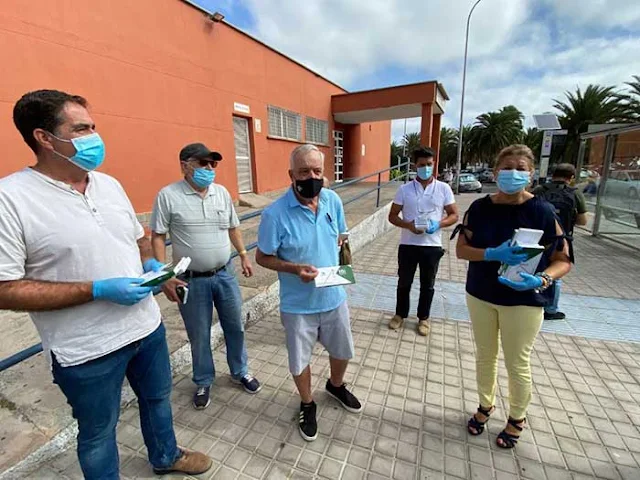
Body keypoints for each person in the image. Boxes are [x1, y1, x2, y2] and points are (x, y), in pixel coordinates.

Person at [0, 90, 211, 478]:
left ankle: (165, 456)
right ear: (45, 138)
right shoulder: (11, 199)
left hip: (146, 329)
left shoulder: (109, 185)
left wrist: (150, 263)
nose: (94, 136)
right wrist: (95, 289)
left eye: (93, 126)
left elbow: (138, 235)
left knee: (158, 399)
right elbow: (4, 288)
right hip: (86, 351)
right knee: (98, 433)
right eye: (81, 128)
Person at [455, 144, 572, 449]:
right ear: (495, 172)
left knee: (517, 362)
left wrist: (544, 278)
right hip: (481, 294)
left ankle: (517, 418)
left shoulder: (543, 212)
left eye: (521, 168)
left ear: (532, 174)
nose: (513, 173)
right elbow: (461, 250)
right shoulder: (479, 208)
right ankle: (485, 405)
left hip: (523, 300)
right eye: (507, 168)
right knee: (484, 354)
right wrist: (492, 253)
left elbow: (564, 259)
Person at [255, 144, 361, 442]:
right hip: (298, 305)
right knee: (300, 360)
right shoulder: (274, 215)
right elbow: (263, 257)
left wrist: (345, 269)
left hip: (333, 297)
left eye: (317, 171)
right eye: (304, 171)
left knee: (342, 351)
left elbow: (342, 238)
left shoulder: (332, 200)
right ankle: (307, 403)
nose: (312, 177)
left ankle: (335, 385)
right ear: (291, 174)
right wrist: (293, 268)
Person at [150, 143, 261, 410]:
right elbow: (158, 236)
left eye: (213, 164)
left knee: (235, 326)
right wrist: (163, 274)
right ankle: (202, 379)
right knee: (199, 334)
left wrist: (244, 254)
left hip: (225, 275)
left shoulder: (221, 193)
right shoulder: (168, 196)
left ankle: (239, 370)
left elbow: (233, 227)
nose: (209, 169)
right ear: (185, 165)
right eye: (203, 164)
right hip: (191, 280)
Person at [387, 147, 459, 335]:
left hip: (432, 246)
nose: (425, 168)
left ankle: (423, 318)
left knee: (428, 284)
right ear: (414, 165)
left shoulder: (443, 188)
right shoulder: (404, 190)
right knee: (404, 282)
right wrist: (407, 225)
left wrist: (439, 224)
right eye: (421, 165)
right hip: (408, 244)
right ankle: (400, 315)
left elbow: (454, 215)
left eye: (429, 164)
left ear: (434, 164)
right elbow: (392, 216)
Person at [533, 163, 587, 320]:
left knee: (535, 268)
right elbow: (582, 221)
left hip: (538, 236)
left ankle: (533, 299)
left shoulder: (539, 190)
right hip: (562, 239)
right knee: (556, 272)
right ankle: (550, 309)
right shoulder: (575, 193)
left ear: (553, 174)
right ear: (571, 178)